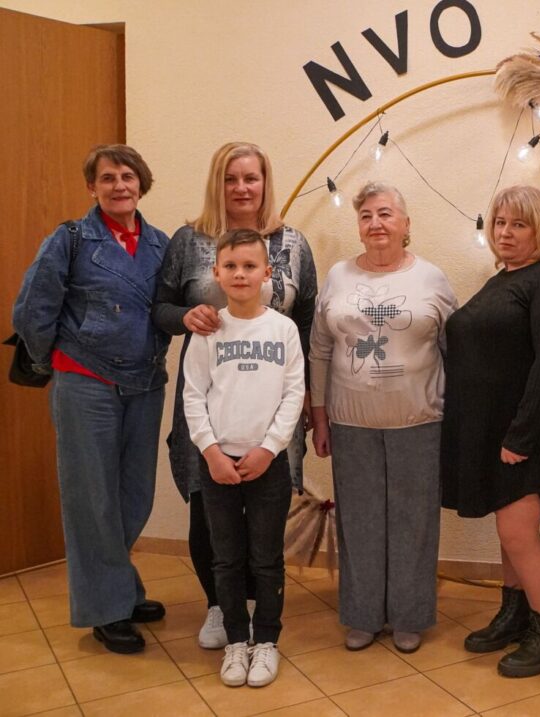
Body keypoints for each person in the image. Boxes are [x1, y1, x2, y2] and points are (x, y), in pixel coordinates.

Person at [153, 142, 317, 649]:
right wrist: (184, 316)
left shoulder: (293, 243)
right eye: (231, 178)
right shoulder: (189, 240)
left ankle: (254, 611)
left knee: (264, 508)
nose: (242, 188)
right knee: (210, 505)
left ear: (265, 183)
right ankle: (219, 607)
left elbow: (306, 321)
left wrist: (308, 397)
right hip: (211, 398)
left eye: (251, 178)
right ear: (217, 184)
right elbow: (158, 308)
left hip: (273, 402)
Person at [13, 145, 170, 654]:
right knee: (92, 499)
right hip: (85, 382)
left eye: (127, 176)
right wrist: (54, 361)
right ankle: (106, 609)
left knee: (134, 495)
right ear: (92, 187)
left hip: (145, 383)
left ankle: (119, 587)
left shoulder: (162, 244)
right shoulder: (71, 239)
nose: (119, 185)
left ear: (141, 184)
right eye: (108, 178)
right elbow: (32, 310)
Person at [309, 182, 456, 654]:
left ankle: (410, 616)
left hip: (420, 420)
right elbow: (319, 350)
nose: (376, 223)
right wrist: (319, 416)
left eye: (386, 213)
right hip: (351, 422)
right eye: (367, 215)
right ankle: (363, 615)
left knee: (414, 522)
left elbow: (454, 350)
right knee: (359, 523)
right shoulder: (338, 276)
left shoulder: (432, 279)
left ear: (406, 224)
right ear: (358, 225)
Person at [441, 185, 540, 678]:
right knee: (508, 529)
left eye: (518, 224)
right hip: (492, 428)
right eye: (500, 222)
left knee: (518, 531)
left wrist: (521, 436)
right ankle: (515, 614)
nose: (505, 232)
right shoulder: (502, 279)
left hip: (531, 428)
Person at [183, 228, 304, 687]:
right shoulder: (209, 330)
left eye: (250, 266)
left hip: (267, 465)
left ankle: (266, 640)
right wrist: (211, 452)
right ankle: (236, 641)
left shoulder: (283, 329)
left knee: (266, 559)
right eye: (230, 266)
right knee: (227, 558)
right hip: (218, 465)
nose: (240, 274)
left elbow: (293, 395)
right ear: (216, 273)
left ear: (267, 273)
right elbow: (193, 396)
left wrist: (269, 448)